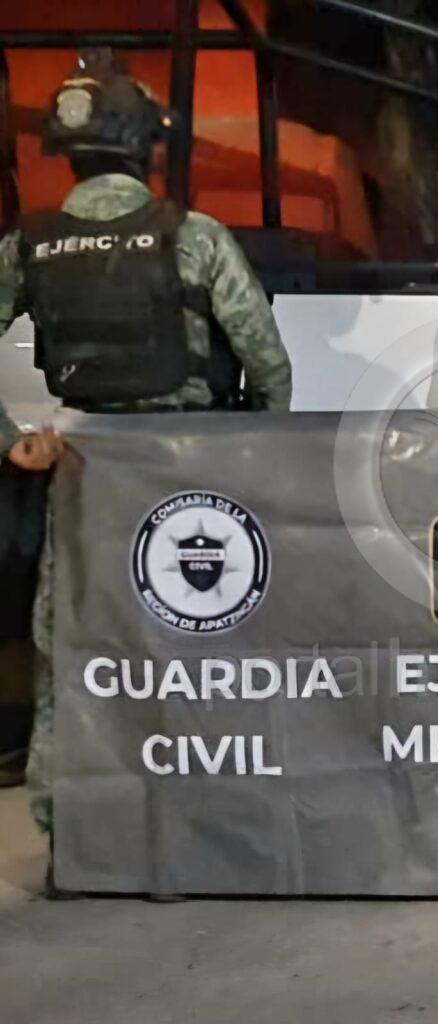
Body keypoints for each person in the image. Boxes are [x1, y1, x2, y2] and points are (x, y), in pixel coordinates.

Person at [0, 55, 293, 857]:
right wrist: (252, 455)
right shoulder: (193, 237)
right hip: (189, 471)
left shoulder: (29, 246)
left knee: (74, 651)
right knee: (204, 646)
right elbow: (267, 364)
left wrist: (13, 440)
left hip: (84, 475)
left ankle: (72, 838)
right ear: (144, 148)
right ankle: (210, 823)